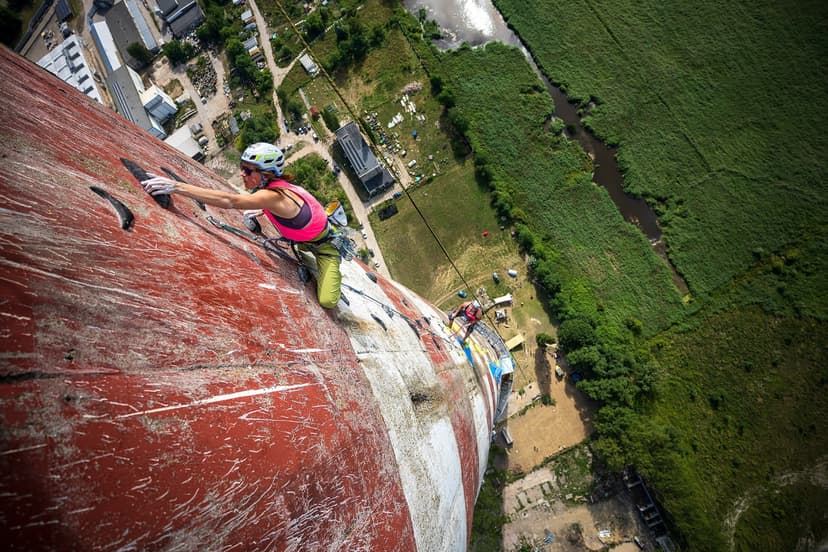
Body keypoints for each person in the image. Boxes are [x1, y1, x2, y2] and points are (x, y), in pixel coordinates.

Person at [141, 143, 342, 308]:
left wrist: (176, 187)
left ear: (266, 174)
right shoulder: (276, 190)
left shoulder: (273, 197)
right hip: (303, 237)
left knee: (328, 301)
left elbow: (231, 201)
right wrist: (265, 210)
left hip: (323, 247)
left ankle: (331, 258)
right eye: (241, 167)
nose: (242, 174)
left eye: (247, 170)